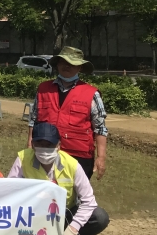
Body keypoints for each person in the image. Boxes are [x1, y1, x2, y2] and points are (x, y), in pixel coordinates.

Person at [9, 122, 109, 235]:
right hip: (33, 216)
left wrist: (74, 228)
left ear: (58, 145)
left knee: (99, 217)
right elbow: (10, 193)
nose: (44, 149)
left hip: (64, 215)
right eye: (40, 144)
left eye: (49, 145)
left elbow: (89, 201)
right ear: (33, 144)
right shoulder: (23, 159)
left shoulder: (71, 165)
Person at [27, 47, 108, 180]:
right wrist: (30, 147)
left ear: (80, 67)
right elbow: (34, 121)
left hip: (78, 156)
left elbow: (100, 129)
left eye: (72, 63)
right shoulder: (43, 89)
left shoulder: (91, 94)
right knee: (46, 196)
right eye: (63, 62)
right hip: (46, 152)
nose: (66, 66)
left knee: (74, 197)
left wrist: (101, 157)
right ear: (57, 64)